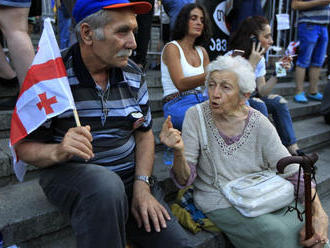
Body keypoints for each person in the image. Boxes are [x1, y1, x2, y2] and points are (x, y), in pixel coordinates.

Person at [14, 0, 193, 247]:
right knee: (105, 186)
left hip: (130, 180)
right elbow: (23, 147)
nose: (133, 43)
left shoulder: (133, 73)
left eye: (134, 31)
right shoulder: (52, 78)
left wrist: (143, 185)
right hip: (72, 175)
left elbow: (144, 133)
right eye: (122, 31)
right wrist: (59, 150)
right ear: (87, 33)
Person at [160, 55, 329, 248]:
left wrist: (320, 214)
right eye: (211, 85)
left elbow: (292, 170)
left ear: (244, 96)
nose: (215, 94)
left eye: (225, 87)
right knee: (274, 234)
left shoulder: (259, 122)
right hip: (218, 198)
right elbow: (184, 180)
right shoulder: (196, 116)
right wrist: (179, 151)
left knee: (308, 226)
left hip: (261, 192)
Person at [228, 15, 301, 155]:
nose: (271, 41)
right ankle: (267, 152)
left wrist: (278, 73)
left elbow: (262, 91)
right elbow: (234, 92)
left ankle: (294, 150)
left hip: (250, 99)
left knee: (279, 101)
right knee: (258, 104)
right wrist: (252, 64)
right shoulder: (233, 57)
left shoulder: (260, 60)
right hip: (235, 102)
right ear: (253, 39)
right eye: (267, 37)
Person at [161, 3, 211, 130]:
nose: (199, 23)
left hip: (201, 100)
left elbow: (210, 84)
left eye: (202, 20)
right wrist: (211, 74)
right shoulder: (172, 47)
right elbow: (180, 84)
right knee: (211, 120)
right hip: (177, 102)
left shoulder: (202, 51)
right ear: (183, 21)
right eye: (193, 18)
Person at [292, 0, 330, 103]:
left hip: (323, 25)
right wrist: (321, 2)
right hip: (308, 24)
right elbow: (295, 5)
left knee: (318, 61)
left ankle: (313, 91)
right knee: (303, 60)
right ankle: (299, 91)